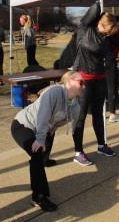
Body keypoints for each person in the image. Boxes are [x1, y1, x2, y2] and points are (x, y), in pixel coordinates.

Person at [11, 71, 85, 212]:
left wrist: (48, 134)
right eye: (81, 82)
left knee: (44, 154)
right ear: (69, 81)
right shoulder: (54, 91)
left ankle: (43, 160)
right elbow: (42, 116)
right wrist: (40, 140)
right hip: (23, 125)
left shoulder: (76, 107)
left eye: (84, 83)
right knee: (37, 154)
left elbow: (58, 123)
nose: (84, 86)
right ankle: (38, 196)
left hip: (45, 128)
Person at [72, 1, 117, 166]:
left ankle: (101, 145)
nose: (113, 32)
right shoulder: (85, 29)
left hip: (99, 79)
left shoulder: (105, 39)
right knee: (80, 116)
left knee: (98, 114)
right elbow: (95, 8)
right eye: (111, 29)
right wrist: (99, 10)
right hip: (83, 79)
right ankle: (78, 152)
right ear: (104, 26)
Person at [106, 15, 119, 123]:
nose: (118, 29)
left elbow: (118, 44)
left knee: (112, 87)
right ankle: (112, 114)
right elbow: (116, 42)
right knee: (111, 87)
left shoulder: (112, 34)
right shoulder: (109, 35)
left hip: (110, 61)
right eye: (116, 27)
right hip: (108, 62)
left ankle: (112, 112)